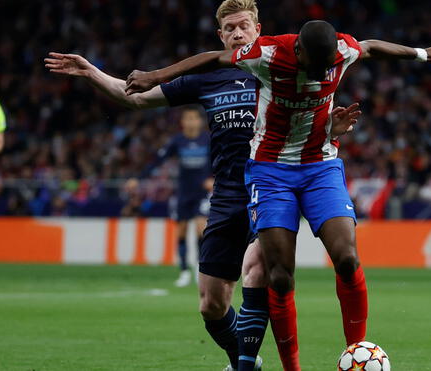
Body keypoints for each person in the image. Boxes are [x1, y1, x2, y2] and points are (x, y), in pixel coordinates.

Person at [124, 19, 431, 370]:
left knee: (347, 258)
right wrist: (156, 76)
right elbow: (213, 58)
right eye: (312, 67)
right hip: (271, 172)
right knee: (280, 274)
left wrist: (424, 54)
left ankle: (355, 354)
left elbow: (373, 46)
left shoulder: (342, 50)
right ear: (298, 52)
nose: (320, 75)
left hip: (320, 165)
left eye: (325, 67)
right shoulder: (267, 54)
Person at [45, 2, 359, 369]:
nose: (237, 33)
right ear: (220, 35)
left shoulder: (279, 64)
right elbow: (136, 99)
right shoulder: (208, 75)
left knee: (258, 270)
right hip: (228, 194)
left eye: (244, 26)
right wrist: (90, 71)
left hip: (274, 183)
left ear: (259, 29)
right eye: (229, 28)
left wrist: (331, 131)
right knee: (212, 304)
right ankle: (246, 360)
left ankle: (247, 366)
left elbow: (317, 103)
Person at [130, 107, 213, 287]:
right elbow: (158, 161)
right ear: (182, 122)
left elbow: (221, 161)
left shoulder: (208, 140)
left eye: (193, 118)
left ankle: (200, 269)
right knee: (181, 231)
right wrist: (139, 178)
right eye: (187, 119)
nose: (190, 122)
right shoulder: (178, 141)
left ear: (200, 121)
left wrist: (213, 178)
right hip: (183, 192)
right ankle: (184, 271)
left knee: (201, 229)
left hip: (202, 193)